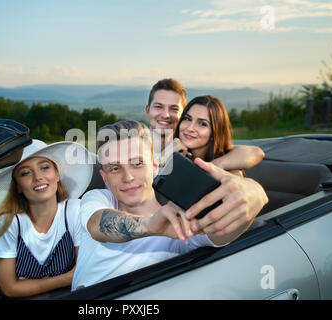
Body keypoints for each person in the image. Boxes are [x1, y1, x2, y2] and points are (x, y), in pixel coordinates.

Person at [71, 120, 268, 290]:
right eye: (115, 168)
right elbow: (97, 224)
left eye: (137, 164)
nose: (128, 177)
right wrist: (149, 225)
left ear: (155, 166)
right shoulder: (98, 198)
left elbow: (220, 229)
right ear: (104, 178)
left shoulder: (181, 219)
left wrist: (254, 193)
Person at [0, 139, 93, 299]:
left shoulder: (74, 211)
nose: (38, 177)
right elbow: (11, 289)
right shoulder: (7, 221)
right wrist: (63, 279)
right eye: (25, 173)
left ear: (57, 174)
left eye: (44, 167)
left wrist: (31, 283)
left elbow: (81, 274)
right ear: (17, 186)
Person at [145, 78, 264, 170]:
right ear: (147, 110)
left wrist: (211, 166)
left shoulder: (216, 160)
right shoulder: (134, 146)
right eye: (158, 107)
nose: (165, 115)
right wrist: (163, 159)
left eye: (202, 124)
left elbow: (256, 152)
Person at [173, 94, 254, 176]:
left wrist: (215, 165)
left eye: (202, 124)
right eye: (187, 119)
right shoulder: (173, 152)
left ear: (215, 132)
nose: (190, 128)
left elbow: (255, 152)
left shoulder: (229, 170)